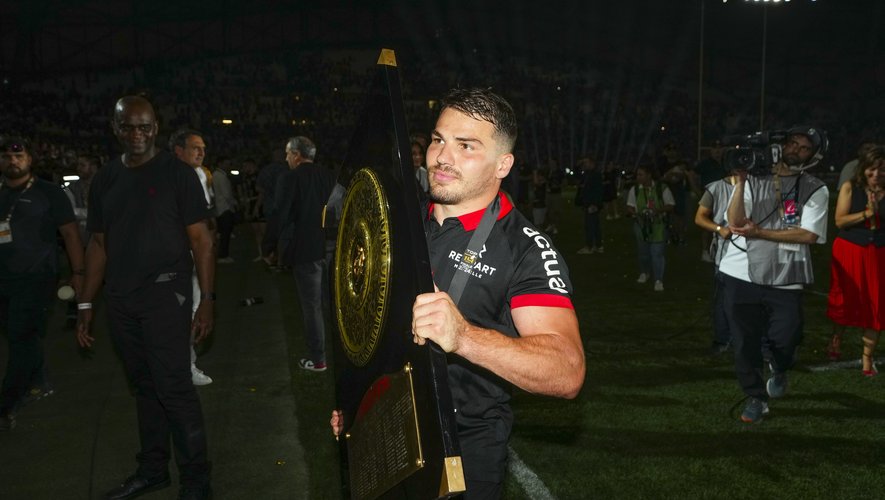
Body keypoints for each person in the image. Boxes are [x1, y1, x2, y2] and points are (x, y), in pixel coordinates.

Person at [332, 88, 585, 499]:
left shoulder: (525, 249)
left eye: (466, 145)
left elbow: (567, 369)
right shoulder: (399, 223)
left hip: (463, 454)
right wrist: (358, 401)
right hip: (388, 431)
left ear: (503, 164)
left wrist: (464, 337)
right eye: (438, 139)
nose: (442, 157)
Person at [76, 96, 214, 499]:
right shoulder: (105, 179)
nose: (137, 134)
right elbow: (98, 244)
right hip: (121, 299)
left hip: (165, 294)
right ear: (115, 128)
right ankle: (153, 470)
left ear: (155, 128)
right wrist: (85, 303)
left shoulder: (178, 174)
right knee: (144, 385)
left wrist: (207, 299)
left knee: (173, 386)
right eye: (128, 127)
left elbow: (202, 241)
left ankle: (196, 482)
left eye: (144, 127)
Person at [721, 126, 829, 423]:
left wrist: (760, 232)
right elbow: (735, 221)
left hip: (786, 274)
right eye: (792, 143)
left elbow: (809, 235)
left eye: (804, 148)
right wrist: (741, 182)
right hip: (740, 272)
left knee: (788, 336)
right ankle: (756, 397)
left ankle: (779, 365)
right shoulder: (754, 178)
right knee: (744, 342)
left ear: (813, 157)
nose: (795, 149)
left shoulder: (815, 188)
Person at [0, 137, 85, 431]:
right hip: (3, 280)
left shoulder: (49, 193)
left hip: (37, 278)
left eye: (19, 156)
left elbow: (71, 233)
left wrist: (79, 272)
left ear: (30, 159)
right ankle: (40, 379)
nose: (13, 161)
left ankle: (7, 403)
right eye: (6, 157)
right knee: (19, 335)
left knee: (20, 335)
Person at [267, 136, 336, 372]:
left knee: (312, 307)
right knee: (331, 303)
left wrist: (269, 245)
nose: (286, 158)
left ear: (297, 154)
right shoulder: (328, 176)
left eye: (288, 153)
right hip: (331, 246)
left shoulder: (290, 178)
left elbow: (280, 213)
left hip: (306, 250)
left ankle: (318, 360)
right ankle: (341, 354)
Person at [826, 145, 884, 376]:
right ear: (863, 168)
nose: (876, 174)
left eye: (882, 169)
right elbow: (839, 221)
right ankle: (836, 338)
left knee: (877, 304)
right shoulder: (850, 187)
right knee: (845, 299)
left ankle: (867, 357)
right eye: (872, 169)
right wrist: (866, 214)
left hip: (878, 253)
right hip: (850, 249)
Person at [170, 128, 214, 386]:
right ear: (179, 151)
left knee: (193, 309)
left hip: (193, 254)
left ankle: (187, 365)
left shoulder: (200, 175)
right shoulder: (168, 177)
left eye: (203, 148)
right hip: (172, 258)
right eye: (195, 148)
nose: (201, 152)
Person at [694, 167, 741, 355]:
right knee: (723, 300)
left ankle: (749, 341)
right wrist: (719, 229)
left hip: (753, 254)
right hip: (726, 254)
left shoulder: (759, 186)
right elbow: (699, 217)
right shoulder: (716, 188)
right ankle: (722, 339)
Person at [625, 164, 675, 292]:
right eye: (637, 175)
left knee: (657, 253)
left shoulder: (661, 188)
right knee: (643, 253)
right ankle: (644, 272)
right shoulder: (635, 189)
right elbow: (630, 206)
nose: (638, 177)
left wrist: (657, 211)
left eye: (641, 174)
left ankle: (658, 279)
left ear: (649, 175)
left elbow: (670, 205)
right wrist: (636, 214)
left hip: (658, 226)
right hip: (641, 226)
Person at [211, 158, 237, 264]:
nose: (228, 166)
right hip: (225, 207)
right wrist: (234, 203)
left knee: (223, 233)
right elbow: (227, 194)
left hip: (220, 207)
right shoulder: (221, 176)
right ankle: (223, 255)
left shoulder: (216, 175)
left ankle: (221, 254)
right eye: (226, 163)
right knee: (225, 233)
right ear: (220, 164)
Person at [576, 157, 604, 254]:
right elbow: (577, 175)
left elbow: (598, 190)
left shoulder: (595, 175)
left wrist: (594, 204)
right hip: (590, 203)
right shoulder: (589, 174)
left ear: (592, 163)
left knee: (590, 225)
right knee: (595, 225)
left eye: (586, 162)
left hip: (591, 204)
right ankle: (598, 245)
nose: (585, 164)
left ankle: (589, 246)